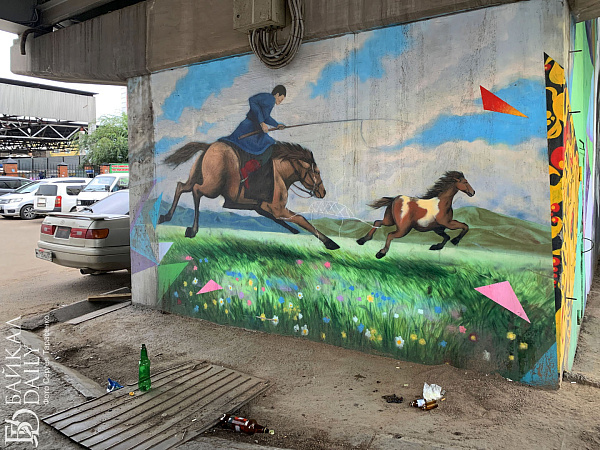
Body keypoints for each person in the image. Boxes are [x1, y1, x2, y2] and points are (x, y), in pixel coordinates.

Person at [219, 85, 286, 164]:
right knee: (269, 143)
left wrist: (277, 125)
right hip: (249, 127)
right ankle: (251, 167)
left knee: (268, 143)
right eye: (281, 99)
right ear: (277, 94)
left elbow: (266, 117)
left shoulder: (270, 100)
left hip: (251, 126)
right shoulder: (270, 99)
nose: (281, 101)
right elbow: (252, 100)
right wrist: (262, 123)